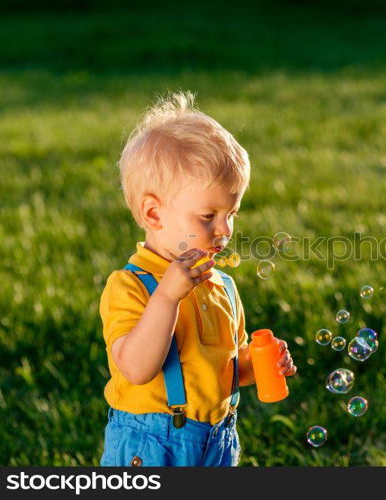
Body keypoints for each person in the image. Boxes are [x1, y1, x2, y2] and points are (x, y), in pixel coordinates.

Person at [98, 91, 296, 466]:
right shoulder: (130, 286)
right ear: (153, 214)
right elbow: (137, 369)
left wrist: (259, 364)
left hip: (217, 440)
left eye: (231, 213)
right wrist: (168, 297)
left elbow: (223, 373)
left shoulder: (222, 286)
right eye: (208, 216)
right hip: (154, 444)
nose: (224, 230)